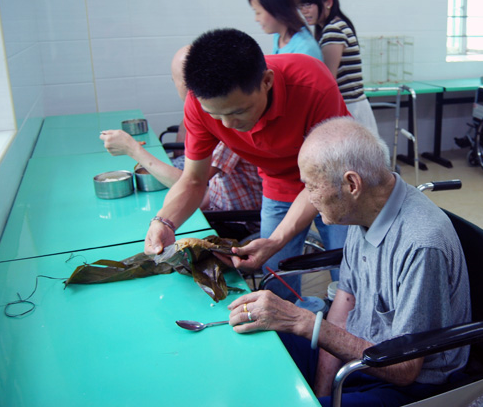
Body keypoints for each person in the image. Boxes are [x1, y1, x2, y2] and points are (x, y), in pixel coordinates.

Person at [227, 117, 471, 407]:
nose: (308, 197)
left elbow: (405, 369)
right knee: (259, 342)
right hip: (360, 355)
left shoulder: (421, 244)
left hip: (413, 384)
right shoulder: (365, 211)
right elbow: (344, 306)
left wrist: (303, 321)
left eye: (312, 186)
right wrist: (323, 395)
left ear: (352, 183)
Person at [143, 28, 350, 300]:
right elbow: (194, 180)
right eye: (216, 115)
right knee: (275, 279)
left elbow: (323, 181)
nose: (228, 125)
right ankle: (291, 341)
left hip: (337, 182)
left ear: (266, 81)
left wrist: (277, 240)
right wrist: (164, 222)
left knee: (348, 275)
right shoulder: (199, 103)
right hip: (279, 183)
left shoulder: (312, 82)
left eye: (239, 111)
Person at [100, 46, 262, 212]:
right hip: (213, 198)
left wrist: (132, 149)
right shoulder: (204, 111)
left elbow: (193, 183)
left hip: (232, 218)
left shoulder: (230, 121)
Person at [295, 0, 379, 136]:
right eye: (300, 5)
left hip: (350, 109)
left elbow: (328, 80)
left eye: (308, 4)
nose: (304, 10)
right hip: (351, 108)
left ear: (328, 2)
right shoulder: (335, 26)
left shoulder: (333, 30)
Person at [248, 0, 323, 60]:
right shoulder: (278, 37)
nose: (256, 19)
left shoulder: (305, 50)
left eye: (258, 12)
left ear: (276, 8)